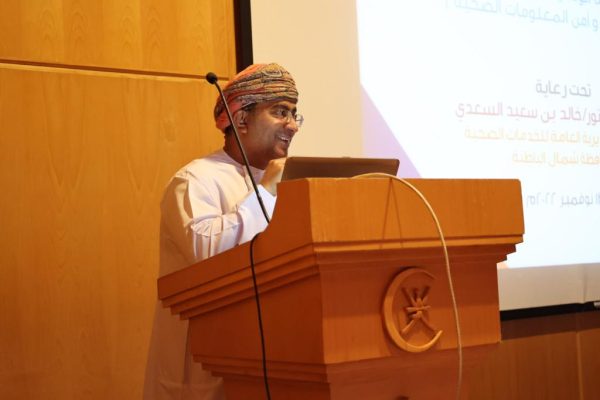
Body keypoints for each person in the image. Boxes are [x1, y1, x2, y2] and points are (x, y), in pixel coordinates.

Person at [143, 63, 302, 400]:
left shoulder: (292, 184)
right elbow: (209, 253)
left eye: (294, 113)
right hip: (203, 367)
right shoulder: (195, 180)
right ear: (241, 118)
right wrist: (268, 190)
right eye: (280, 112)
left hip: (272, 359)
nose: (292, 125)